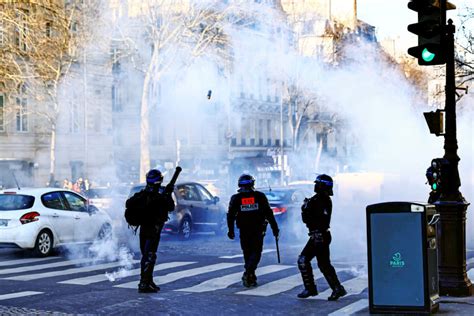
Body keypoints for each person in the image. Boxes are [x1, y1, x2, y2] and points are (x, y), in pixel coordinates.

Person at [297, 174, 347, 301]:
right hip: (319, 235)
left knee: (303, 260)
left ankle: (311, 288)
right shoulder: (318, 199)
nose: (315, 186)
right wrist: (306, 207)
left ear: (321, 186)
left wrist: (306, 209)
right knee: (324, 264)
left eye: (317, 184)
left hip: (319, 235)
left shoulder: (323, 200)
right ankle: (337, 288)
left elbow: (318, 220)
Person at [125, 169, 175, 293]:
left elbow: (129, 203)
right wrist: (168, 195)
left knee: (146, 255)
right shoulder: (160, 195)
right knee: (150, 255)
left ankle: (148, 281)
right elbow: (171, 207)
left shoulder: (142, 193)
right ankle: (144, 283)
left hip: (143, 228)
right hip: (153, 229)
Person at [227, 174, 279, 287]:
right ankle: (249, 273)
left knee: (248, 253)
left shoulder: (236, 198)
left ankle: (250, 274)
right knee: (256, 252)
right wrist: (275, 228)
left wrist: (230, 230)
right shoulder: (259, 196)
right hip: (257, 230)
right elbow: (268, 213)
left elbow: (230, 216)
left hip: (245, 230)